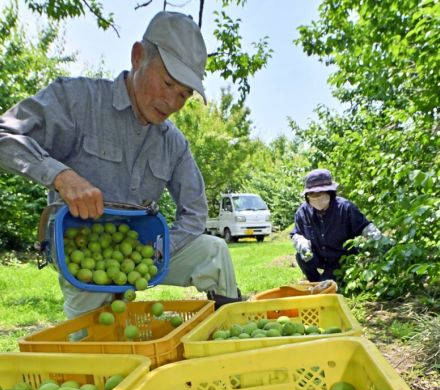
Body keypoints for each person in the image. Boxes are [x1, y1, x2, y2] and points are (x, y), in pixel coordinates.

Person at [0, 11, 241, 317]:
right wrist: (60, 175)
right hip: (82, 254)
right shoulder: (77, 100)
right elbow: (5, 133)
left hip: (141, 251)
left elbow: (195, 213)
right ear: (138, 56)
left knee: (214, 251)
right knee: (93, 340)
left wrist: (154, 254)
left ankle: (227, 335)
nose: (172, 103)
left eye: (184, 94)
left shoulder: (174, 143)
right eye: (168, 83)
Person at [291, 168, 386, 283]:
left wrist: (383, 244)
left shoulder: (345, 208)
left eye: (320, 193)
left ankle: (325, 281)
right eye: (312, 194)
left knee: (327, 283)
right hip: (317, 257)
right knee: (301, 257)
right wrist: (301, 242)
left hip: (341, 260)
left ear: (330, 193)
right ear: (307, 196)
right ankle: (314, 281)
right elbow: (296, 233)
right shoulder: (303, 212)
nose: (316, 197)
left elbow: (365, 228)